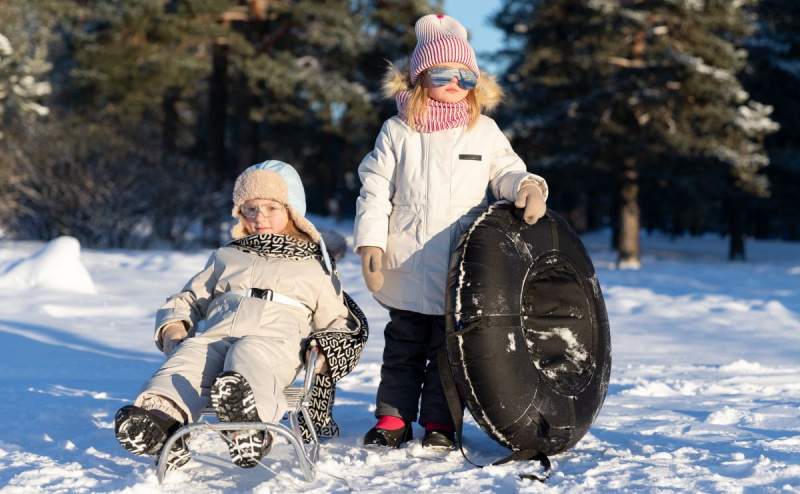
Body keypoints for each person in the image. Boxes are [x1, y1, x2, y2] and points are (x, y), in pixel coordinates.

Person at [353, 14, 549, 451]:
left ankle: (440, 423)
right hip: (406, 262)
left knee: (449, 354)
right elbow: (375, 189)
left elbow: (507, 171)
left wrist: (528, 187)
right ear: (421, 76)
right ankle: (392, 418)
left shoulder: (482, 130)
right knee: (404, 347)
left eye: (466, 75)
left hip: (463, 266)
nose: (455, 82)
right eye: (443, 73)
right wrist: (370, 241)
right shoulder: (397, 131)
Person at [114, 160, 367, 471]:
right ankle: (160, 422)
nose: (259, 217)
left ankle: (250, 427)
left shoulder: (315, 265)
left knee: (249, 353)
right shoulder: (227, 256)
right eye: (250, 208)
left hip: (276, 342)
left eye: (271, 208)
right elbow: (189, 298)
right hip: (218, 334)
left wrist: (326, 352)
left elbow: (338, 321)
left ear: (292, 211)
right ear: (240, 212)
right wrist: (174, 327)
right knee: (191, 355)